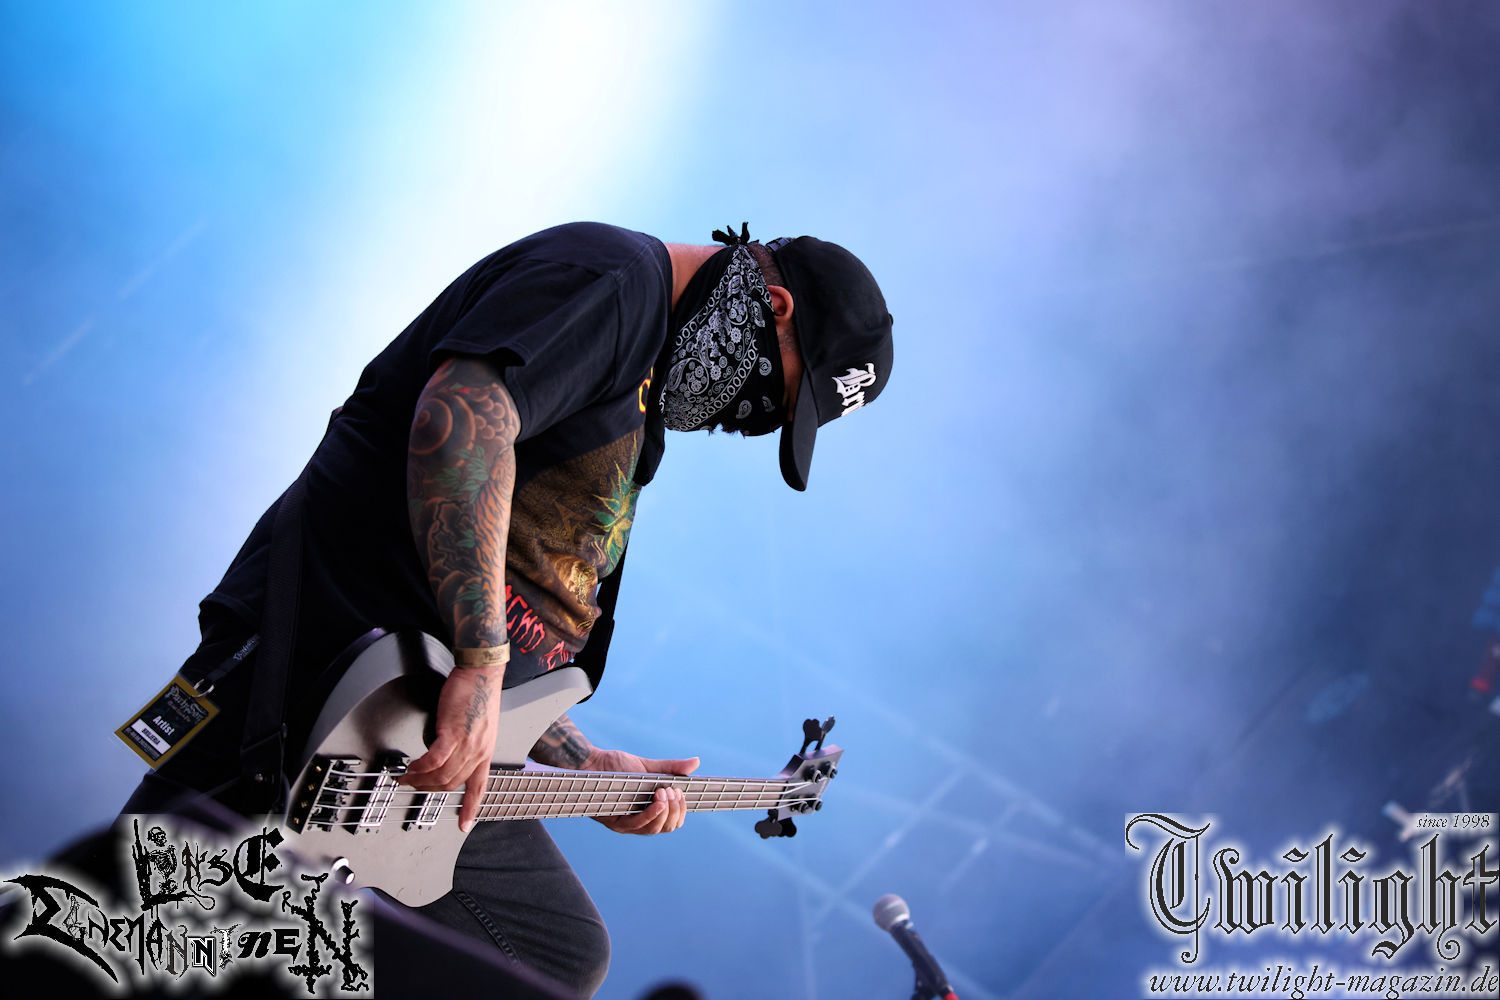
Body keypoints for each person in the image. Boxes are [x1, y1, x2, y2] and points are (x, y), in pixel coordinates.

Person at [119, 220, 893, 996]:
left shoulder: (641, 388)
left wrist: (581, 760)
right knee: (136, 934)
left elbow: (525, 616)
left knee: (555, 953)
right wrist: (483, 662)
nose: (748, 418)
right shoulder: (615, 282)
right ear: (775, 308)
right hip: (327, 680)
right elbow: (458, 418)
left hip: (420, 744)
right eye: (776, 397)